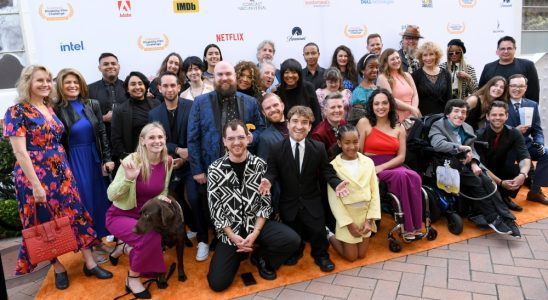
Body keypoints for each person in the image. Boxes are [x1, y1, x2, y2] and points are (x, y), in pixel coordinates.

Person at [4, 65, 112, 289]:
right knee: (43, 221)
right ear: (28, 84)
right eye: (39, 80)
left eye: (47, 80)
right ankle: (58, 267)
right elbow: (20, 152)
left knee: (76, 214)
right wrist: (36, 185)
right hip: (34, 175)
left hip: (61, 171)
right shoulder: (16, 111)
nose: (45, 84)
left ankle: (89, 263)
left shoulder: (49, 107)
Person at [206, 120, 300, 292]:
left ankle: (261, 257)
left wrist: (255, 234)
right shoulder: (215, 169)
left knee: (292, 240)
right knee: (217, 283)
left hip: (256, 224)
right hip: (231, 231)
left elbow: (265, 204)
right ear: (224, 141)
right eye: (231, 138)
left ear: (248, 138)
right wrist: (233, 237)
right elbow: (216, 210)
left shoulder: (261, 165)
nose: (236, 142)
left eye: (241, 137)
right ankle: (238, 254)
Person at [259, 106, 350, 273]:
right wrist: (268, 180)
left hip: (311, 199)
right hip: (289, 201)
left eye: (304, 122)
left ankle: (321, 255)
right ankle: (296, 251)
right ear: (287, 123)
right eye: (295, 121)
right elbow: (271, 170)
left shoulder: (318, 148)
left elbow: (326, 170)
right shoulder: (277, 149)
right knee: (294, 231)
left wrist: (336, 183)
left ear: (309, 127)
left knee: (317, 231)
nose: (299, 126)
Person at [429, 99, 520, 237]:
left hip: (466, 164)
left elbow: (472, 150)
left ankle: (506, 217)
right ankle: (492, 218)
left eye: (463, 112)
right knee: (477, 182)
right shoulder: (438, 126)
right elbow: (438, 144)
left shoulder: (467, 127)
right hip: (447, 164)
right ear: (448, 113)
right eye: (456, 111)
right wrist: (460, 148)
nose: (460, 115)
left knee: (487, 181)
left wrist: (474, 163)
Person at [106, 123, 173, 299]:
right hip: (120, 215)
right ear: (142, 141)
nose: (157, 141)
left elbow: (163, 190)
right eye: (151, 137)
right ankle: (132, 278)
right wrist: (128, 180)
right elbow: (111, 195)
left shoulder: (168, 161)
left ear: (165, 139)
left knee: (151, 246)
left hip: (146, 216)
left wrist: (162, 198)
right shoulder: (131, 161)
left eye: (160, 137)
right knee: (149, 237)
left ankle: (125, 248)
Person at [148, 72, 209, 261]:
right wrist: (177, 151)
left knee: (194, 197)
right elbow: (158, 140)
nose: (169, 89)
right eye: (165, 86)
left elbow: (199, 134)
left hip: (191, 163)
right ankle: (193, 226)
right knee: (175, 202)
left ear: (179, 87)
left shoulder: (192, 106)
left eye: (172, 85)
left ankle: (203, 239)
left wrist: (185, 156)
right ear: (159, 89)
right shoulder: (154, 114)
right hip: (168, 163)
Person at [53, 68, 114, 258]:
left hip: (94, 157)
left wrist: (107, 158)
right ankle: (89, 243)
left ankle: (99, 241)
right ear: (60, 87)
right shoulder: (56, 109)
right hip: (74, 160)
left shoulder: (92, 104)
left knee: (100, 200)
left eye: (75, 82)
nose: (72, 86)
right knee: (84, 201)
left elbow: (102, 133)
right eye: (68, 83)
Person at [356, 88, 423, 239]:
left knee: (414, 177)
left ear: (390, 105)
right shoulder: (364, 123)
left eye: (384, 103)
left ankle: (415, 225)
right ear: (371, 106)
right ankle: (406, 226)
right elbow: (358, 152)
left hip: (392, 164)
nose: (381, 107)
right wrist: (372, 168)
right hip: (370, 164)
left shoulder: (398, 127)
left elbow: (401, 157)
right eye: (376, 104)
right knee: (401, 176)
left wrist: (383, 167)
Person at [187, 61, 265, 186]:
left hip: (246, 169)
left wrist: (252, 137)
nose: (224, 78)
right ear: (214, 77)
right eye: (220, 74)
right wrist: (197, 170)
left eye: (228, 74)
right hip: (211, 170)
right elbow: (192, 138)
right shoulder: (200, 103)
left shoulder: (251, 102)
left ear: (235, 76)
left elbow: (261, 127)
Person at [327, 125, 380, 261]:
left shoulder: (368, 162)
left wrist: (370, 220)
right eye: (347, 143)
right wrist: (349, 224)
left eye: (355, 142)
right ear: (339, 143)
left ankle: (364, 224)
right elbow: (334, 200)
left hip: (365, 216)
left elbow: (375, 193)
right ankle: (328, 234)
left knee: (361, 255)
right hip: (347, 216)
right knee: (351, 257)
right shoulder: (333, 166)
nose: (352, 146)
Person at [476, 101, 531, 212]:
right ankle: (494, 198)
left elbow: (524, 156)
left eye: (501, 115)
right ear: (487, 116)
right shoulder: (478, 135)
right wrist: (500, 182)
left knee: (519, 169)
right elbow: (480, 165)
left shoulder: (514, 133)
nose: (498, 118)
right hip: (484, 171)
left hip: (502, 167)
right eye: (494, 115)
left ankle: (504, 197)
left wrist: (523, 174)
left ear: (506, 116)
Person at [505, 74, 548, 204]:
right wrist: (514, 131)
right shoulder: (500, 104)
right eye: (513, 85)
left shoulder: (532, 104)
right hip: (507, 146)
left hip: (526, 145)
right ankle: (504, 195)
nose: (517, 89)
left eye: (521, 86)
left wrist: (539, 142)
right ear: (508, 87)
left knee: (546, 153)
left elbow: (537, 129)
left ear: (526, 88)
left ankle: (535, 191)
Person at [311, 92, 348, 231]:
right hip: (329, 180)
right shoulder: (318, 134)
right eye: (333, 107)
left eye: (340, 106)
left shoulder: (344, 124)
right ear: (324, 110)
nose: (337, 110)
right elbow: (321, 167)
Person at [111, 71, 160, 160]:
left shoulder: (157, 104)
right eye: (133, 84)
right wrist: (128, 158)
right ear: (127, 89)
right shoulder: (120, 110)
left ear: (145, 86)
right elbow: (116, 139)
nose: (137, 87)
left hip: (158, 156)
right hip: (135, 159)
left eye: (140, 83)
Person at [478, 36, 539, 102]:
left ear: (515, 49)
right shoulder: (488, 67)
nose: (506, 51)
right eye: (502, 49)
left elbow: (534, 91)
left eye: (509, 48)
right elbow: (482, 90)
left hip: (519, 109)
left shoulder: (527, 65)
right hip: (493, 109)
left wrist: (530, 109)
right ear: (498, 51)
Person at [256, 93, 288, 218]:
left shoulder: (297, 126)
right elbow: (266, 171)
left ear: (282, 105)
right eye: (268, 108)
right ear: (263, 113)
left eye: (275, 105)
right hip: (285, 197)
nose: (273, 109)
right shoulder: (265, 138)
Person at [87, 52, 127, 139]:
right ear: (99, 68)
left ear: (118, 66)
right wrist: (103, 118)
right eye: (105, 64)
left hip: (127, 137)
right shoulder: (88, 89)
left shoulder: (129, 87)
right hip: (101, 139)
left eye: (113, 63)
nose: (110, 66)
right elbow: (84, 117)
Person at [275, 58, 322, 128]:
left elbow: (316, 113)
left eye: (294, 72)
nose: (290, 75)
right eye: (287, 72)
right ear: (282, 74)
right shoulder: (278, 91)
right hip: (288, 131)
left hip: (308, 129)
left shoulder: (308, 87)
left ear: (299, 74)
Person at [377, 48, 420, 122]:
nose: (396, 61)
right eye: (392, 59)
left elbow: (415, 94)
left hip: (414, 115)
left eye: (397, 58)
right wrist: (411, 108)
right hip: (397, 117)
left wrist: (414, 109)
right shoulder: (382, 78)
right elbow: (390, 99)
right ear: (385, 62)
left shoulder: (407, 75)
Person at [413, 41, 452, 116]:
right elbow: (414, 100)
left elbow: (449, 98)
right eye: (425, 55)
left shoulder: (446, 73)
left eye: (431, 54)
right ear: (421, 57)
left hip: (442, 118)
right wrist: (420, 118)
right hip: (423, 118)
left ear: (436, 56)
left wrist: (447, 116)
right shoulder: (415, 75)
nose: (428, 58)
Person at [350, 53, 379, 124]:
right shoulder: (358, 92)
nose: (375, 70)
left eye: (377, 67)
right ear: (362, 70)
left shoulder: (378, 88)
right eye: (371, 67)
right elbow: (358, 120)